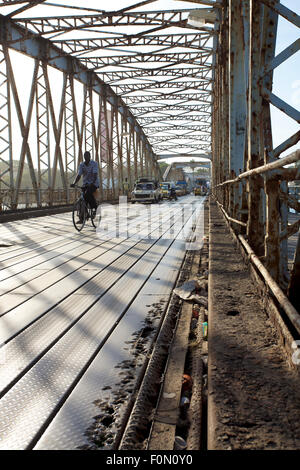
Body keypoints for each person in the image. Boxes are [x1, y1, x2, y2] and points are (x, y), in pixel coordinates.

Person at [71, 151, 99, 219]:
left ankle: (95, 208)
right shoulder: (82, 165)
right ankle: (83, 216)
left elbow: (95, 175)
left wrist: (92, 183)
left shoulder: (94, 164)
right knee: (82, 198)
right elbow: (79, 175)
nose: (86, 158)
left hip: (94, 183)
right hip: (85, 184)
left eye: (87, 156)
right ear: (84, 157)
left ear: (90, 157)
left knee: (87, 194)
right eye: (85, 156)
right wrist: (74, 183)